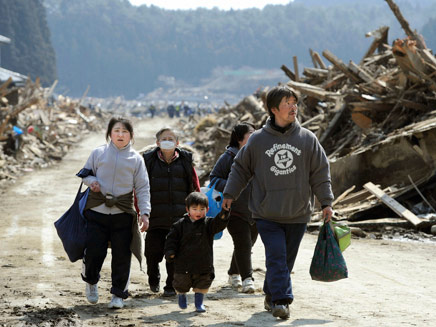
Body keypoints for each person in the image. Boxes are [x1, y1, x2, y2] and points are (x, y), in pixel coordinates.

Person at [222, 86, 334, 320]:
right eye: (287, 103)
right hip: (267, 213)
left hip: (298, 212)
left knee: (285, 261)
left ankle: (271, 293)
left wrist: (326, 202)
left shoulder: (307, 139)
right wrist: (230, 194)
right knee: (277, 257)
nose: (293, 107)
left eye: (295, 102)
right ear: (273, 109)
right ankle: (282, 301)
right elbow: (241, 168)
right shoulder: (258, 141)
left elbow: (320, 172)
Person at [80, 116, 151, 309]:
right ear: (109, 133)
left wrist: (145, 213)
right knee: (95, 251)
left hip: (123, 213)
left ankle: (118, 294)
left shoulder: (136, 159)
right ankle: (91, 281)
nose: (120, 135)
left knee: (122, 254)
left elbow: (143, 187)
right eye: (116, 131)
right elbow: (85, 173)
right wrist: (91, 182)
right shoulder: (98, 153)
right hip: (97, 211)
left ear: (131, 135)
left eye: (124, 131)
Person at [142, 127, 200, 297]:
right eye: (164, 138)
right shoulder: (148, 161)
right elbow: (140, 188)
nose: (168, 141)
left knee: (174, 254)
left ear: (177, 143)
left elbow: (195, 187)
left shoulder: (186, 161)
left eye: (171, 138)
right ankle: (153, 277)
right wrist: (142, 211)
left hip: (178, 218)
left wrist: (196, 210)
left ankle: (170, 285)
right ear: (157, 142)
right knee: (152, 253)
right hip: (155, 217)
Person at [209, 122, 258, 293]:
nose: (255, 135)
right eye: (251, 133)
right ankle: (247, 279)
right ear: (239, 138)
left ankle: (234, 273)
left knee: (246, 244)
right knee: (243, 243)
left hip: (256, 210)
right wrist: (233, 185)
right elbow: (214, 179)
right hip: (234, 209)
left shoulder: (261, 156)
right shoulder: (229, 157)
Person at [164, 192, 229, 312]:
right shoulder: (179, 225)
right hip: (183, 263)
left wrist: (224, 214)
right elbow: (171, 240)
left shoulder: (208, 224)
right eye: (194, 209)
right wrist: (170, 251)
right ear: (187, 209)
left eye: (202, 209)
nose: (198, 212)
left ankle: (199, 304)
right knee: (181, 284)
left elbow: (218, 224)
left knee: (202, 283)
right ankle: (182, 296)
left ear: (207, 209)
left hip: (203, 262)